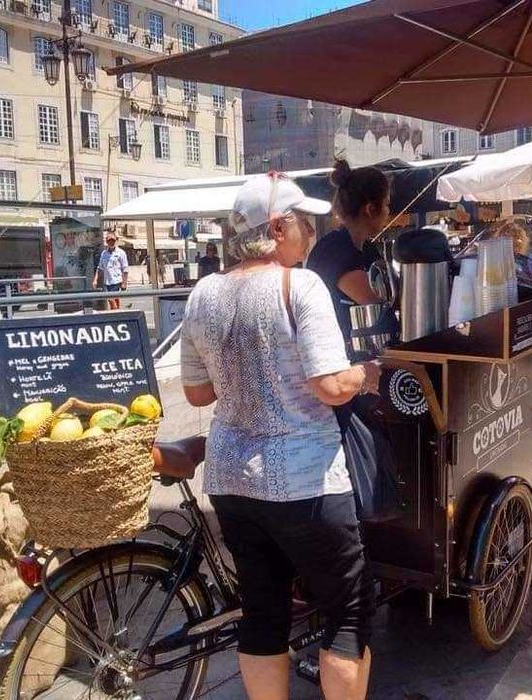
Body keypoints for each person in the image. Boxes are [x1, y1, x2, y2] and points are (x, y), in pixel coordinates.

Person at [180, 172, 380, 700]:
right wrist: (369, 372)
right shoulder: (301, 285)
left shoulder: (203, 293)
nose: (312, 234)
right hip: (304, 484)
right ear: (278, 226)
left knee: (263, 610)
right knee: (348, 610)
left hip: (230, 481)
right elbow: (333, 386)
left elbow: (198, 395)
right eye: (305, 223)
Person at [306, 159, 390, 343]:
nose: (388, 212)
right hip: (336, 357)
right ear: (370, 209)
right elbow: (375, 304)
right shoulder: (335, 250)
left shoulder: (366, 248)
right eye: (385, 205)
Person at [93, 232, 128, 310]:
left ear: (116, 241)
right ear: (106, 242)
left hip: (116, 281)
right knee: (115, 301)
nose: (111, 242)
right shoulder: (104, 254)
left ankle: (114, 316)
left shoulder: (121, 253)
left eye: (113, 240)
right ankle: (117, 316)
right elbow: (100, 268)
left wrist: (124, 283)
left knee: (112, 301)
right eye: (109, 241)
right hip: (107, 281)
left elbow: (125, 269)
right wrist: (95, 280)